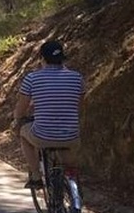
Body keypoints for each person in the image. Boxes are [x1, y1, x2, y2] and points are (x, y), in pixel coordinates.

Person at [14, 39, 84, 189]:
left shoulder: (32, 78)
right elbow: (77, 105)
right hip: (71, 135)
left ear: (42, 59)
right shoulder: (77, 78)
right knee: (68, 163)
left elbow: (21, 108)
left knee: (23, 133)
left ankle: (36, 176)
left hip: (43, 135)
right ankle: (74, 191)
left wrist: (18, 119)